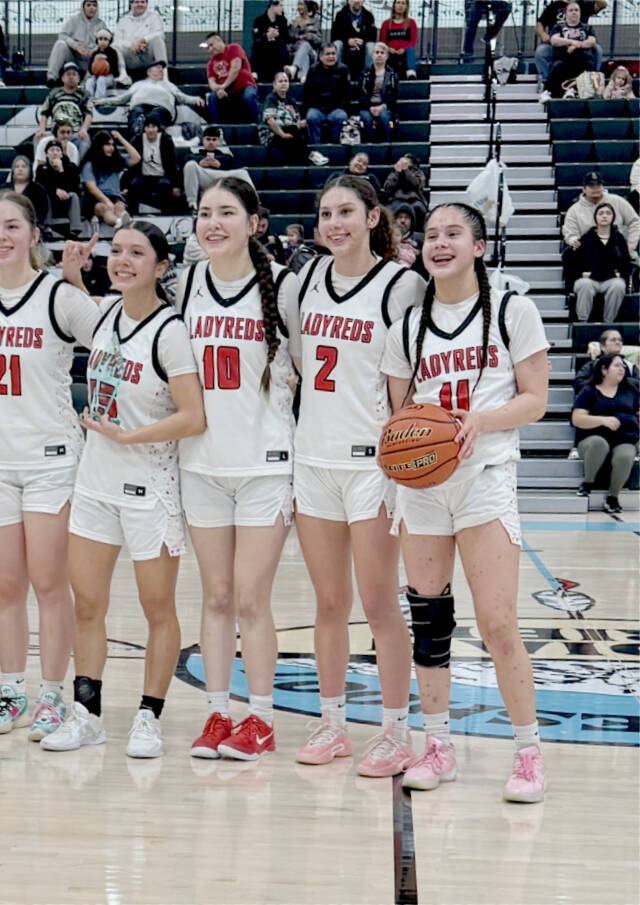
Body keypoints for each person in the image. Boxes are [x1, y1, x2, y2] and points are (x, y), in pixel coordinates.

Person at [382, 201, 551, 802]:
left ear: (479, 246)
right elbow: (401, 414)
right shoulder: (408, 324)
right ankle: (437, 745)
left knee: (498, 622)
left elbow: (535, 399)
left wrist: (482, 420)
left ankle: (528, 752)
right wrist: (405, 451)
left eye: (454, 233)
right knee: (430, 623)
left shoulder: (512, 310)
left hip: (484, 479)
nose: (439, 243)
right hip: (423, 489)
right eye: (430, 235)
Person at [0, 191, 101, 739]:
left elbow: (116, 342)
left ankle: (52, 695)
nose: (1, 236)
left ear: (35, 236)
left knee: (49, 584)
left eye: (12, 226)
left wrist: (78, 280)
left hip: (51, 460)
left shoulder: (57, 297)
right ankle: (12, 690)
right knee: (6, 587)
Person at [39, 220, 203, 758]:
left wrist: (132, 435)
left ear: (160, 267)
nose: (123, 260)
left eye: (137, 253)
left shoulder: (171, 331)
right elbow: (75, 302)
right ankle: (86, 713)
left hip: (148, 486)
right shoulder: (107, 314)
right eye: (117, 252)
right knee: (87, 604)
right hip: (95, 482)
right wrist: (70, 271)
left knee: (158, 609)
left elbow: (193, 416)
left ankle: (149, 717)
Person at [284, 174, 427, 776]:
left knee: (377, 603)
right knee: (327, 602)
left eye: (346, 212)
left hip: (372, 464)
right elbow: (294, 358)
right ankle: (333, 722)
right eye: (324, 214)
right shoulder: (304, 280)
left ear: (374, 218)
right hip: (312, 459)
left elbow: (414, 379)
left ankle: (395, 730)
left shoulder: (403, 286)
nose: (333, 223)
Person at [152, 178, 298, 761]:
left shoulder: (285, 288)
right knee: (213, 596)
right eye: (204, 213)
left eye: (226, 213)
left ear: (253, 222)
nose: (213, 223)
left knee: (249, 598)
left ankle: (260, 719)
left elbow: (313, 372)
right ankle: (217, 712)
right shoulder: (185, 283)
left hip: (264, 464)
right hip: (202, 463)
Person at [573, 353, 639, 511]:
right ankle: (588, 483)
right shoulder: (589, 391)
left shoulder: (630, 392)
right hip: (591, 439)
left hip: (624, 439)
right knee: (599, 444)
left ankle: (613, 497)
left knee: (626, 455)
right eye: (616, 365)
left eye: (623, 366)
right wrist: (603, 420)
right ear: (604, 370)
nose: (621, 369)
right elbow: (577, 418)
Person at [94, 59, 205, 135]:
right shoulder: (138, 84)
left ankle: (147, 126)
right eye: (158, 67)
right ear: (149, 71)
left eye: (162, 68)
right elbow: (122, 99)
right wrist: (103, 101)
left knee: (155, 115)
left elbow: (182, 97)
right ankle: (139, 128)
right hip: (140, 105)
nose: (161, 69)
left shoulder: (169, 85)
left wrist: (196, 99)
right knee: (137, 112)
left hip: (161, 108)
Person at [562, 172, 640, 277]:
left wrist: (631, 244)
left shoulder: (617, 201)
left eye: (598, 184)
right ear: (584, 189)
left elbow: (635, 221)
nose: (595, 188)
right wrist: (574, 240)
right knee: (569, 254)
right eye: (591, 185)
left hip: (616, 251)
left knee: (634, 259)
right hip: (589, 253)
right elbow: (569, 233)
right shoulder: (574, 210)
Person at [573, 202, 631, 322]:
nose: (604, 216)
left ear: (613, 217)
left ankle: (608, 322)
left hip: (610, 281)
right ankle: (582, 322)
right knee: (584, 285)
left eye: (608, 213)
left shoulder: (619, 239)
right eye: (601, 213)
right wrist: (584, 274)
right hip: (589, 280)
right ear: (596, 218)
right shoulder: (585, 239)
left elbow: (626, 263)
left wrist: (618, 274)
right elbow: (575, 264)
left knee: (618, 285)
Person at [260, 71, 327, 166]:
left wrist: (300, 124)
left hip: (291, 132)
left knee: (297, 130)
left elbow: (296, 121)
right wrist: (282, 134)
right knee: (293, 131)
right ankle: (311, 154)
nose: (283, 83)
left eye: (286, 81)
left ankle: (308, 159)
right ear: (274, 85)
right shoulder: (270, 99)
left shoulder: (291, 101)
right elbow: (270, 121)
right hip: (272, 134)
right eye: (280, 81)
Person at [534, 0, 603, 89]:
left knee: (597, 49)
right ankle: (545, 81)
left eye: (576, 10)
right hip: (558, 44)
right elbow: (539, 24)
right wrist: (543, 35)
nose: (574, 12)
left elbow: (602, 4)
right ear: (566, 13)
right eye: (571, 11)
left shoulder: (583, 4)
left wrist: (578, 44)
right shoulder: (553, 6)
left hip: (582, 45)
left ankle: (593, 79)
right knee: (541, 51)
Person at [124, 116, 183, 215]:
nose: (151, 130)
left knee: (165, 186)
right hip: (143, 176)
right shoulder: (137, 140)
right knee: (135, 185)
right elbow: (131, 165)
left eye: (153, 127)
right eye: (148, 127)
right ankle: (132, 216)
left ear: (157, 128)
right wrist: (125, 186)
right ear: (144, 129)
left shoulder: (166, 140)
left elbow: (172, 164)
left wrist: (176, 185)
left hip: (161, 176)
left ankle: (166, 216)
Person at [82, 131, 138, 228]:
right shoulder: (89, 164)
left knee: (120, 206)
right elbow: (92, 189)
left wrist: (121, 139)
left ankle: (124, 222)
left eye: (112, 145)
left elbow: (136, 158)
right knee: (103, 208)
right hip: (95, 199)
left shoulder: (117, 160)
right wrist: (107, 202)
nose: (111, 148)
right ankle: (120, 223)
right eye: (107, 145)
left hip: (115, 196)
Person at [204, 32, 259, 125]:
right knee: (212, 98)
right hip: (226, 91)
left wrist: (223, 86)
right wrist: (218, 89)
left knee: (249, 96)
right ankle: (215, 126)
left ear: (219, 41)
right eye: (208, 47)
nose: (210, 49)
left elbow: (235, 69)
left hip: (245, 87)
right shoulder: (210, 63)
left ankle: (257, 124)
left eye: (211, 45)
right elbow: (211, 82)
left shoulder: (233, 48)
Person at [36, 62, 93, 151]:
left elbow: (89, 115)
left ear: (78, 78)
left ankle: (76, 164)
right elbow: (44, 113)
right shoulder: (54, 94)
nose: (71, 77)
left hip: (74, 133)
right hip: (56, 133)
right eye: (68, 74)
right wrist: (42, 130)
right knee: (38, 138)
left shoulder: (84, 95)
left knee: (85, 139)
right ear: (62, 78)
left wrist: (84, 130)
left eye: (74, 74)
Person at [302, 44, 352, 145]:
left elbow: (347, 94)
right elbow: (307, 94)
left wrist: (343, 108)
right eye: (327, 54)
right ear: (320, 57)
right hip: (317, 108)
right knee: (311, 117)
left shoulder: (343, 69)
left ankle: (335, 147)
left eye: (333, 54)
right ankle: (316, 148)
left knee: (342, 117)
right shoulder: (313, 70)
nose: (331, 57)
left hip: (336, 109)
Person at [47, 1, 105, 84]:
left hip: (91, 60)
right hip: (74, 58)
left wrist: (93, 51)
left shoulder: (101, 24)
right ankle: (52, 77)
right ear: (83, 7)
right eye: (88, 5)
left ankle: (86, 83)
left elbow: (105, 43)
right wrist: (76, 47)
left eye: (94, 5)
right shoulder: (73, 20)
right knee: (60, 44)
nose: (91, 8)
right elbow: (63, 35)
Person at [113, 0, 168, 83]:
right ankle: (123, 75)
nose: (140, 5)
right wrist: (133, 44)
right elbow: (117, 40)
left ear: (146, 4)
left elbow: (160, 34)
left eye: (143, 2)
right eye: (137, 2)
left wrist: (142, 40)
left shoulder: (154, 17)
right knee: (115, 46)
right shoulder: (123, 20)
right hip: (131, 57)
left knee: (158, 40)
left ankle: (164, 77)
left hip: (148, 55)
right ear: (131, 4)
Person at [37, 143, 86, 237]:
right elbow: (40, 187)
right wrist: (55, 190)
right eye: (52, 150)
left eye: (57, 150)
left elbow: (74, 187)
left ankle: (75, 229)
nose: (55, 153)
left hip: (66, 201)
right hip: (50, 203)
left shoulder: (71, 167)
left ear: (61, 154)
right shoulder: (41, 169)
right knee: (45, 195)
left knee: (74, 195)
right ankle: (47, 227)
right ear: (46, 154)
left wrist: (61, 170)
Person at [574, 328, 639, 394]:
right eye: (613, 340)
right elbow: (578, 384)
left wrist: (621, 381)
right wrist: (601, 380)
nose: (618, 342)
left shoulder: (630, 367)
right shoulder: (592, 366)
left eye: (620, 340)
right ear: (603, 346)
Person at [357, 44, 399, 142]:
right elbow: (361, 94)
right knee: (366, 117)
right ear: (372, 56)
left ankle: (387, 144)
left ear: (387, 56)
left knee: (383, 116)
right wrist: (370, 107)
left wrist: (382, 107)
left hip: (385, 107)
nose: (379, 55)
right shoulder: (365, 74)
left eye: (382, 53)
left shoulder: (392, 74)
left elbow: (394, 94)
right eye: (376, 53)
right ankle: (370, 144)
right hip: (368, 107)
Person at [383, 153, 429, 230]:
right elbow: (387, 188)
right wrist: (397, 173)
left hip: (414, 199)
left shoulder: (418, 172)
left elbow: (417, 184)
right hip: (397, 199)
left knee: (419, 208)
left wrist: (406, 170)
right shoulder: (395, 173)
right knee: (390, 208)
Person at [331, 0, 377, 75]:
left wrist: (359, 42)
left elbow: (372, 36)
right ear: (349, 1)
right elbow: (336, 34)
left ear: (363, 1)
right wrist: (348, 41)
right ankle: (336, 74)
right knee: (337, 44)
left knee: (371, 46)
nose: (356, 1)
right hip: (345, 45)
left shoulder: (369, 15)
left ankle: (367, 75)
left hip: (363, 45)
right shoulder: (341, 15)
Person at [251, 0, 290, 82]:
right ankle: (254, 72)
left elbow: (287, 38)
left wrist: (278, 35)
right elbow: (256, 38)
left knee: (281, 44)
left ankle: (283, 71)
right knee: (258, 45)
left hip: (277, 50)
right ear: (272, 6)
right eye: (280, 6)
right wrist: (266, 36)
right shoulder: (259, 21)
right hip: (264, 49)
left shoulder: (283, 21)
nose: (282, 8)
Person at [380, 0, 419, 78]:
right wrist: (388, 48)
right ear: (394, 5)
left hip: (405, 52)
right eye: (398, 3)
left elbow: (413, 41)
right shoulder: (386, 24)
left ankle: (411, 73)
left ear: (406, 6)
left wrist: (404, 49)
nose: (400, 5)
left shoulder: (411, 23)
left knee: (410, 49)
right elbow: (382, 41)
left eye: (403, 3)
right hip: (390, 52)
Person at [286, 0, 323, 82]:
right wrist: (295, 30)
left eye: (301, 5)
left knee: (305, 44)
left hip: (312, 52)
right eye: (298, 5)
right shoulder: (294, 22)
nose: (299, 7)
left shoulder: (314, 21)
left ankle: (294, 68)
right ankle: (303, 77)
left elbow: (320, 41)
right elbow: (289, 39)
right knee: (304, 55)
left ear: (307, 6)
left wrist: (311, 37)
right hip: (296, 51)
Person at [84, 29, 121, 99]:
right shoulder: (95, 53)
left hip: (109, 76)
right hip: (96, 75)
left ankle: (99, 99)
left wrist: (105, 65)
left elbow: (115, 71)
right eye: (100, 39)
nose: (102, 42)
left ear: (109, 41)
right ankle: (89, 99)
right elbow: (90, 69)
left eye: (105, 39)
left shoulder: (113, 52)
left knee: (101, 80)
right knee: (90, 81)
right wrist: (95, 66)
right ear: (97, 41)